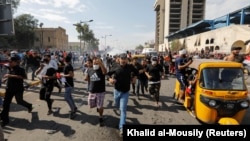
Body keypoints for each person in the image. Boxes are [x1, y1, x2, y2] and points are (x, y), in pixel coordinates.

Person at [107, 53, 138, 135]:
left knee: (123, 110)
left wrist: (134, 78)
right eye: (122, 58)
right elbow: (108, 74)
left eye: (125, 59)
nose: (123, 60)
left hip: (125, 92)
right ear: (119, 59)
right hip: (116, 91)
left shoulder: (130, 67)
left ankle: (122, 127)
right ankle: (117, 107)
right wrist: (110, 79)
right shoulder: (115, 66)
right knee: (117, 105)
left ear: (127, 60)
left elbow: (137, 72)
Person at [0, 55, 32, 127]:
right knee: (6, 104)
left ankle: (29, 106)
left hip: (18, 89)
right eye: (8, 61)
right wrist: (6, 79)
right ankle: (5, 120)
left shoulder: (20, 69)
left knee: (19, 101)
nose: (9, 63)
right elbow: (10, 75)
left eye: (10, 61)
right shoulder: (10, 68)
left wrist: (11, 76)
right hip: (9, 89)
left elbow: (23, 77)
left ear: (15, 62)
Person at [84, 57, 107, 126]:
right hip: (92, 91)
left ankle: (100, 117)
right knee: (91, 104)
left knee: (100, 106)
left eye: (97, 61)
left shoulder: (101, 69)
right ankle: (98, 108)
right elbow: (86, 78)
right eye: (94, 60)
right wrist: (86, 77)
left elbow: (105, 72)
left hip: (100, 91)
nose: (95, 61)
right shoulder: (89, 69)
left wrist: (101, 64)